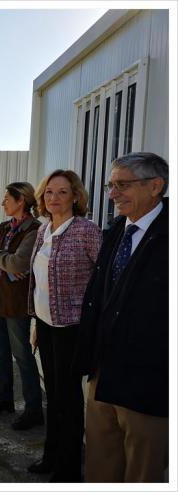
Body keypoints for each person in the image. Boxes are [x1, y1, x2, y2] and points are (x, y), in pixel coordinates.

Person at [74, 152, 168, 482]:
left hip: (148, 382)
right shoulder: (115, 231)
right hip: (103, 372)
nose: (113, 194)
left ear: (156, 186)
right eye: (111, 185)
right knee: (101, 462)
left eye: (123, 185)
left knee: (143, 470)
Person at [27, 170, 101, 482]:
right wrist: (35, 322)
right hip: (45, 324)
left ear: (75, 196)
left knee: (69, 399)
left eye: (62, 192)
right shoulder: (44, 230)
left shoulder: (87, 231)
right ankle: (51, 457)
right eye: (49, 193)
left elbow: (104, 280)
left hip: (72, 328)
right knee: (53, 395)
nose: (54, 198)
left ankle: (69, 470)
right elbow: (39, 282)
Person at [0, 182, 44, 430]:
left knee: (22, 355)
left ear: (21, 201)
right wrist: (2, 262)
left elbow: (19, 264)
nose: (3, 202)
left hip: (17, 301)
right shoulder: (4, 227)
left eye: (7, 198)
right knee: (1, 351)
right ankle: (4, 399)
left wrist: (1, 260)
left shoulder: (34, 230)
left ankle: (33, 410)